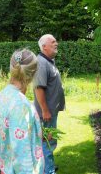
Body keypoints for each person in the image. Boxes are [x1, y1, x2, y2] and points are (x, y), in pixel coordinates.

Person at [0, 49, 44, 174]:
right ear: (33, 74)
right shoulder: (20, 104)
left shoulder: (3, 94)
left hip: (6, 167)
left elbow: (2, 132)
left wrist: (37, 133)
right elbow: (21, 150)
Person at [33, 34, 65, 174]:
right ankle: (48, 170)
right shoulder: (41, 63)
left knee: (49, 141)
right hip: (46, 113)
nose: (56, 43)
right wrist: (45, 110)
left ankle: (48, 166)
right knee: (47, 141)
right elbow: (39, 88)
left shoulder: (49, 61)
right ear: (44, 46)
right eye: (53, 42)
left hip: (50, 112)